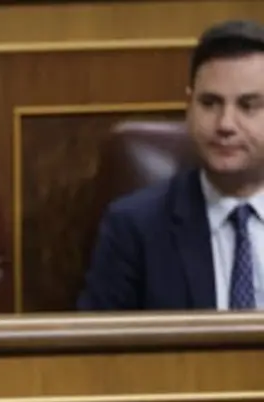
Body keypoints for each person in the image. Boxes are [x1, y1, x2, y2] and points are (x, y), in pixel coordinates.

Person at [79, 19, 264, 311]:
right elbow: (96, 353)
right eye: (210, 103)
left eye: (248, 106)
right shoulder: (134, 229)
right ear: (189, 106)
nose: (226, 124)